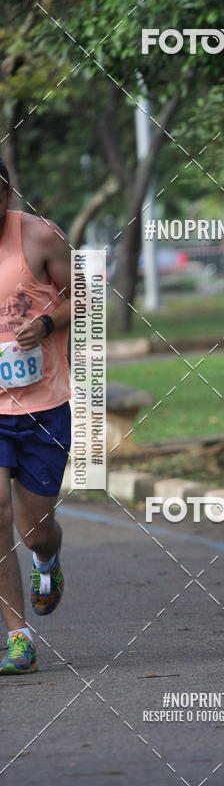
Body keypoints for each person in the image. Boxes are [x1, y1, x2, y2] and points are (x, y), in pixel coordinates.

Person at [0, 160, 71, 674]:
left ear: (5, 194)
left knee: (35, 531)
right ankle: (17, 636)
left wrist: (46, 322)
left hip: (44, 406)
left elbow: (85, 298)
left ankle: (46, 560)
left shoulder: (41, 236)